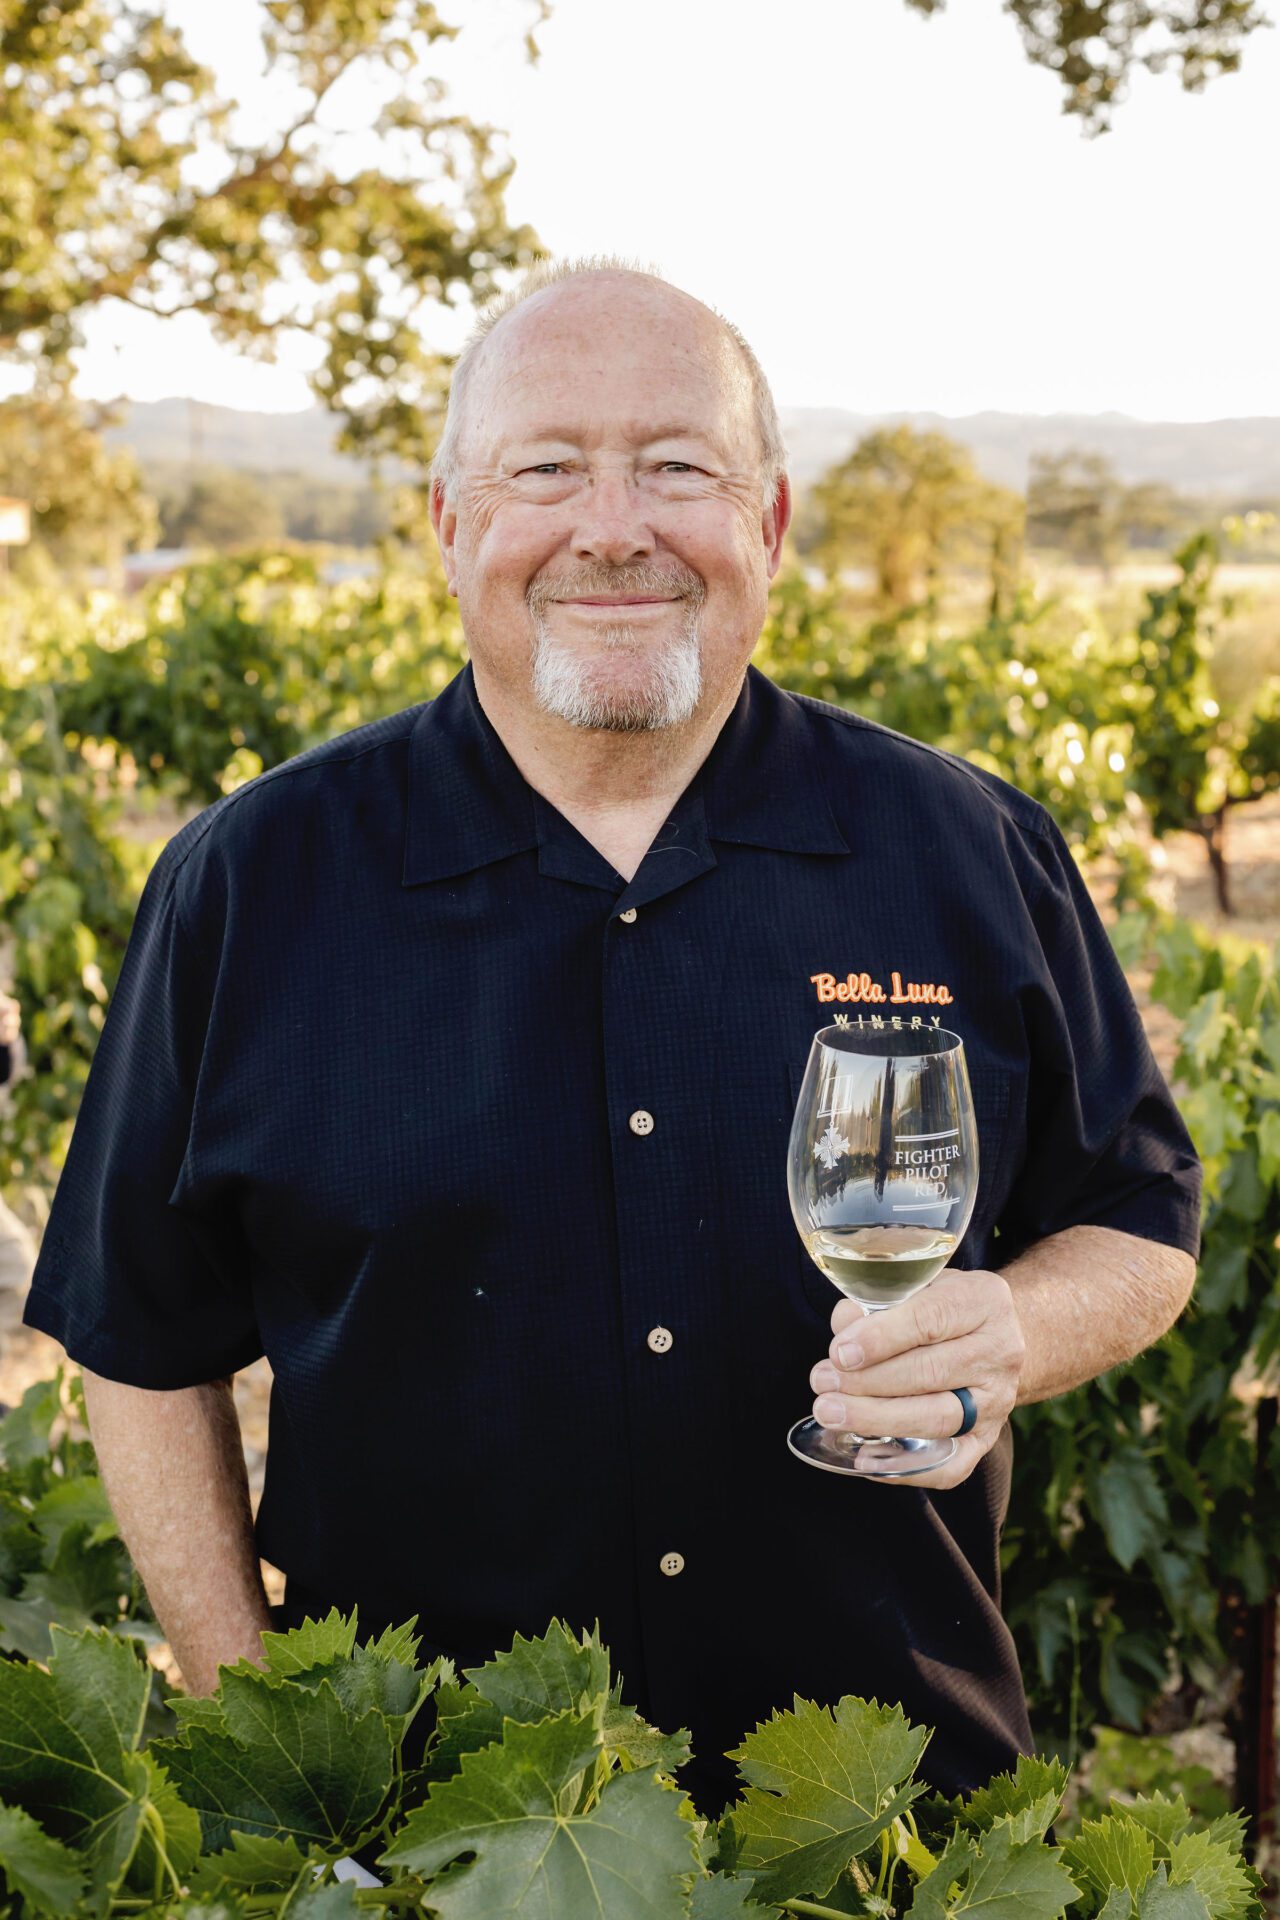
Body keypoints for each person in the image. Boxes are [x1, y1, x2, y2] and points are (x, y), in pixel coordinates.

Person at [22, 255, 1200, 1822]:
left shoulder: (965, 847)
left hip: (889, 1824)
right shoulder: (254, 881)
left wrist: (1017, 1333)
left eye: (677, 468)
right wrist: (276, 1757)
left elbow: (1137, 1222)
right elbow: (141, 1346)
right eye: (549, 469)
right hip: (431, 1831)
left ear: (767, 525)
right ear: (450, 525)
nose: (615, 526)